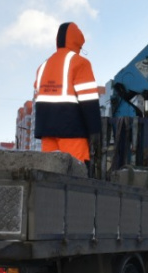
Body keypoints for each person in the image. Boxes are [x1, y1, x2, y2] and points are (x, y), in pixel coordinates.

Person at [33, 22, 101, 165]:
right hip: (72, 130)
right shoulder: (80, 63)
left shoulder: (43, 66)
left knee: (50, 174)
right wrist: (95, 131)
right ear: (78, 42)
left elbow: (40, 94)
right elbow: (88, 100)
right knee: (76, 174)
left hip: (46, 130)